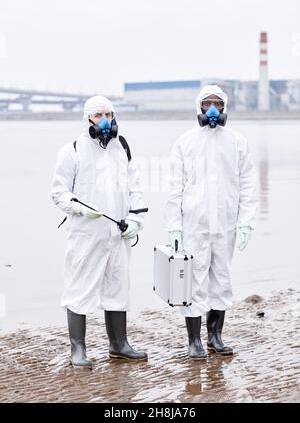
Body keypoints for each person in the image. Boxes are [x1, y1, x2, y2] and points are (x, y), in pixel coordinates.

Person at [51, 95, 147, 367]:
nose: (105, 120)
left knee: (118, 288)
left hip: (117, 235)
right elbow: (58, 193)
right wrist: (79, 208)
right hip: (86, 235)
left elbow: (134, 187)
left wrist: (135, 219)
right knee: (78, 290)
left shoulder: (122, 147)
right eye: (98, 115)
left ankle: (119, 345)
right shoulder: (71, 151)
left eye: (109, 114)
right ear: (88, 119)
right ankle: (78, 349)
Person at [164, 85, 257, 360]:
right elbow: (174, 186)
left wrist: (246, 222)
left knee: (221, 279)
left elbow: (248, 184)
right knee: (193, 281)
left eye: (218, 103)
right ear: (200, 108)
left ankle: (215, 336)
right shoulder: (185, 142)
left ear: (225, 107)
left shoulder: (237, 142)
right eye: (208, 103)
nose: (213, 108)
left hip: (225, 224)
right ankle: (194, 341)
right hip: (194, 223)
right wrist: (173, 225)